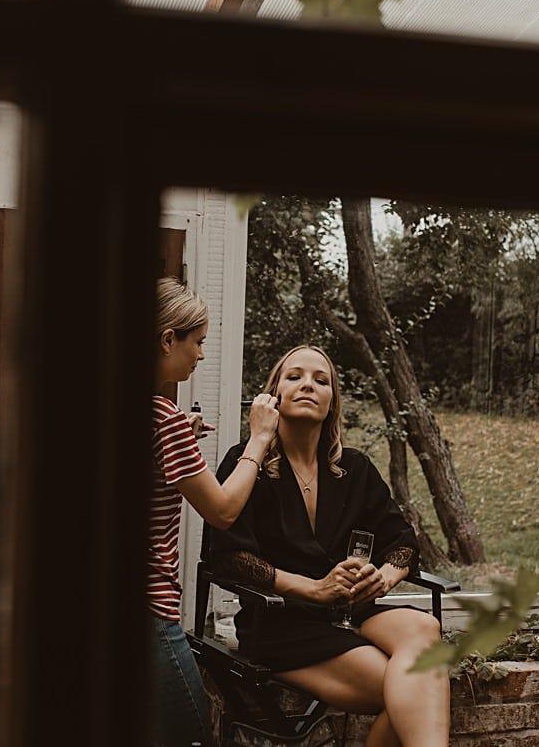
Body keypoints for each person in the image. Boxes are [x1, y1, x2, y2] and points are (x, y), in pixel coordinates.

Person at [212, 345, 449, 747]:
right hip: (282, 622)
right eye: (295, 377)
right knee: (409, 685)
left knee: (425, 627)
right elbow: (231, 557)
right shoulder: (246, 464)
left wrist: (383, 577)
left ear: (332, 401)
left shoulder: (355, 468)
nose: (308, 385)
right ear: (273, 396)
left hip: (349, 611)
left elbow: (403, 543)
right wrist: (314, 588)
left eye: (321, 381)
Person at [149, 277, 280, 747]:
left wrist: (179, 432)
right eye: (198, 342)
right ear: (168, 339)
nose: (201, 355)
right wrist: (260, 440)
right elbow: (223, 510)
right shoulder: (163, 419)